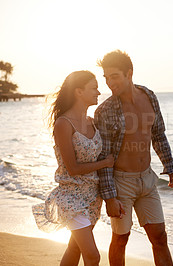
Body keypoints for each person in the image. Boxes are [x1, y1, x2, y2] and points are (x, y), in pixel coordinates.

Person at [94, 50, 173, 266]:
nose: (109, 83)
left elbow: (158, 134)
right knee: (121, 239)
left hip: (148, 180)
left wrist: (169, 165)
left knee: (159, 237)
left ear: (129, 73)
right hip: (121, 182)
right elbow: (104, 158)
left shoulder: (149, 96)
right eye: (106, 78)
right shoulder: (105, 111)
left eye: (115, 76)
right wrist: (110, 197)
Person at [32, 70, 114, 266]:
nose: (98, 92)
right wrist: (104, 163)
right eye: (93, 88)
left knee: (74, 248)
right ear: (78, 92)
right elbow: (72, 168)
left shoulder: (91, 122)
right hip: (71, 197)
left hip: (93, 197)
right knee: (93, 256)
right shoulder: (63, 124)